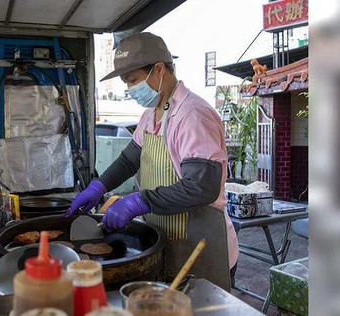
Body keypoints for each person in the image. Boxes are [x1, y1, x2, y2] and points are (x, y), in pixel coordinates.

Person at [66, 32, 238, 283]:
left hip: (200, 246)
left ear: (158, 70)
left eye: (133, 80)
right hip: (167, 240)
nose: (129, 89)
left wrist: (139, 201)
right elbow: (129, 160)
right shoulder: (150, 114)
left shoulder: (193, 115)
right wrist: (99, 185)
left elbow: (202, 188)